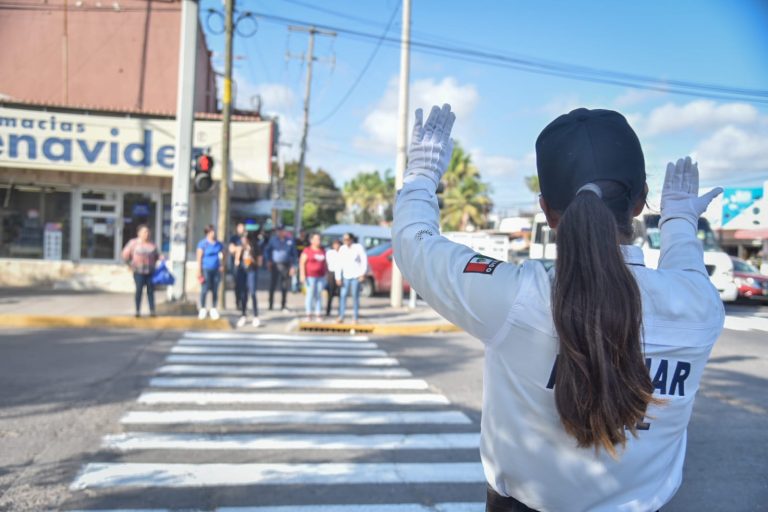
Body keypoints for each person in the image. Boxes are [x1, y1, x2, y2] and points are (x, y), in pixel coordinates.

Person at [392, 104, 725, 512]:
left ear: (547, 210)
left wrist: (422, 175)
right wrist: (678, 220)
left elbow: (416, 245)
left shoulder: (516, 297)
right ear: (639, 203)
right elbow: (686, 269)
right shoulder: (699, 306)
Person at [121, 224, 160, 318]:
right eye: (144, 232)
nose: (147, 234)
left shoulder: (152, 244)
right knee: (139, 290)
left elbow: (156, 256)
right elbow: (125, 254)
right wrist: (129, 265)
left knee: (150, 291)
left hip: (150, 271)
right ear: (139, 233)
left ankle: (152, 311)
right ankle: (137, 310)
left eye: (148, 232)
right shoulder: (133, 243)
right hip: (138, 271)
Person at [335, 233, 368, 324]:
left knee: (355, 297)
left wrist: (362, 274)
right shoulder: (342, 249)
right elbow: (339, 264)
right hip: (346, 276)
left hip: (356, 276)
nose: (346, 241)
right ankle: (341, 316)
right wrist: (338, 277)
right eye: (344, 239)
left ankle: (355, 317)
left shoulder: (358, 248)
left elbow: (364, 261)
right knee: (343, 296)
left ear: (351, 239)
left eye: (347, 239)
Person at [264, 225, 298, 312]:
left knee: (284, 286)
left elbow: (294, 254)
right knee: (273, 285)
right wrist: (268, 261)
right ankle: (270, 304)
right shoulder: (273, 240)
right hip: (275, 265)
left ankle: (283, 305)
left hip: (286, 265)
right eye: (278, 231)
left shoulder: (290, 240)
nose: (280, 232)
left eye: (282, 230)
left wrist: (293, 266)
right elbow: (267, 251)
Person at [234, 232, 263, 328]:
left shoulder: (255, 247)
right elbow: (237, 261)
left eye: (245, 238)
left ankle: (255, 316)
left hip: (252, 271)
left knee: (253, 293)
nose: (243, 240)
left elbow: (259, 263)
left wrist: (251, 257)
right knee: (243, 293)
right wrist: (240, 251)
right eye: (242, 238)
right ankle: (243, 314)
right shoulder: (240, 247)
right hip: (242, 271)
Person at [196, 224, 224, 320]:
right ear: (207, 233)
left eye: (214, 231)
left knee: (215, 289)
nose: (213, 233)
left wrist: (222, 265)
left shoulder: (218, 244)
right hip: (206, 269)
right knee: (205, 289)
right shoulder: (203, 243)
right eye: (211, 231)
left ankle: (213, 308)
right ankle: (203, 308)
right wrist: (199, 270)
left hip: (216, 269)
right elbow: (199, 257)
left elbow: (223, 255)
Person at [299, 233, 327, 321]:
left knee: (318, 295)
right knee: (310, 294)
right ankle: (308, 314)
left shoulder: (323, 250)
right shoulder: (307, 250)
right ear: (311, 240)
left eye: (319, 239)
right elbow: (302, 263)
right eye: (316, 239)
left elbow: (325, 263)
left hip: (320, 277)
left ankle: (318, 313)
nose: (318, 241)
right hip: (310, 276)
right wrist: (302, 275)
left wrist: (325, 274)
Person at [228, 222, 247, 311]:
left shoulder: (246, 238)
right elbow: (231, 249)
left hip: (245, 265)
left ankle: (244, 302)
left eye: (243, 228)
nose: (242, 230)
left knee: (245, 286)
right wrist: (239, 248)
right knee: (237, 285)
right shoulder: (234, 238)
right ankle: (238, 302)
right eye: (240, 228)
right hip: (236, 265)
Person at [325, 238, 342, 317]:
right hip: (331, 273)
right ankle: (328, 311)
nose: (336, 246)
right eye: (335, 244)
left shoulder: (342, 253)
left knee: (340, 294)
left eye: (338, 244)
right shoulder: (330, 253)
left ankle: (340, 312)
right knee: (330, 294)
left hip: (340, 274)